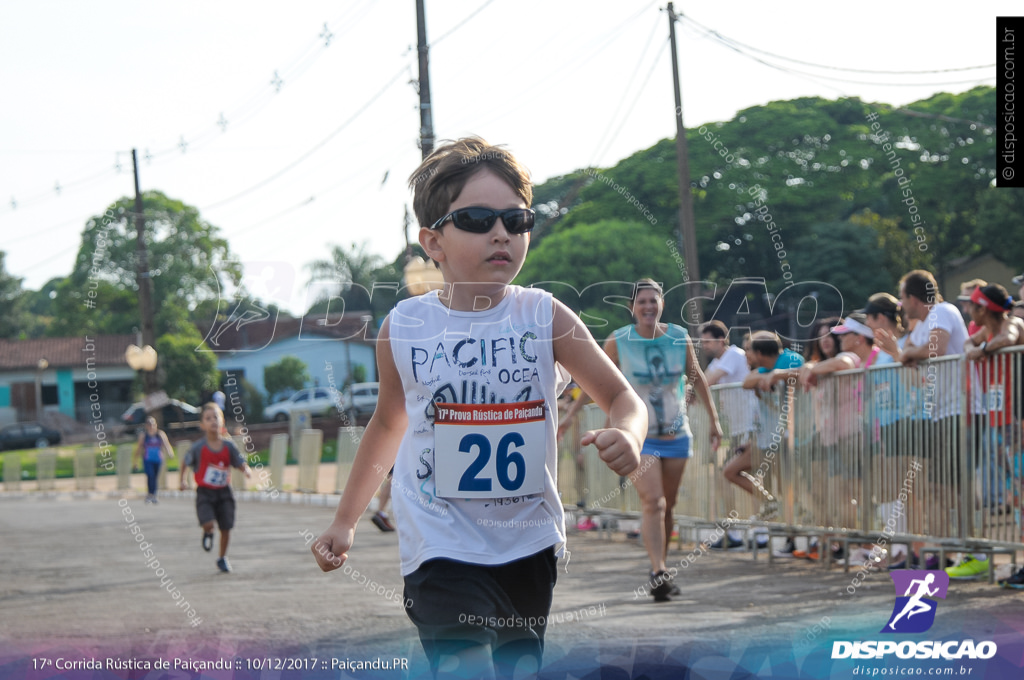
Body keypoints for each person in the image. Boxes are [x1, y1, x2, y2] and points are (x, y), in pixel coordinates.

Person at [310, 137, 644, 679]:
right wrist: (345, 521)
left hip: (527, 540)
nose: (501, 233)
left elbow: (622, 397)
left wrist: (629, 434)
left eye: (516, 220)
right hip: (438, 541)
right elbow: (390, 423)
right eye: (477, 218)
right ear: (433, 241)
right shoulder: (406, 326)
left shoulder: (544, 316)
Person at [897, 270, 973, 576]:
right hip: (939, 413)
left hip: (961, 408)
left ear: (914, 298)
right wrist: (906, 354)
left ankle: (969, 550)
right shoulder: (923, 325)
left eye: (903, 298)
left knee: (955, 486)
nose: (902, 305)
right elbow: (915, 368)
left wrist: (908, 353)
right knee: (938, 487)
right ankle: (945, 552)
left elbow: (935, 350)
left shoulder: (943, 310)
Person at [964, 285, 1024, 544]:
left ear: (984, 309)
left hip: (1017, 419)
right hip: (1000, 420)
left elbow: (1007, 340)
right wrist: (974, 348)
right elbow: (968, 343)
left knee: (1021, 486)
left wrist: (983, 350)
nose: (968, 312)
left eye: (972, 306)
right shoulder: (986, 331)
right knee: (1016, 489)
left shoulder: (1012, 324)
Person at [736, 331, 804, 531]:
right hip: (773, 437)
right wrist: (769, 375)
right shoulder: (766, 367)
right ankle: (786, 527)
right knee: (783, 486)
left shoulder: (789, 358)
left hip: (795, 435)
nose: (747, 354)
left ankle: (794, 530)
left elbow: (800, 371)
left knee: (792, 487)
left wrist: (776, 375)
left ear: (759, 352)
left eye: (749, 350)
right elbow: (746, 383)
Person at [179, 403, 250, 573]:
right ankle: (208, 531)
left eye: (216, 417)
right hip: (205, 493)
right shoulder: (198, 448)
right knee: (208, 523)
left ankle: (222, 558)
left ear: (222, 421)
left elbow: (239, 461)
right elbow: (185, 462)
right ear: (202, 424)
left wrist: (245, 469)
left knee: (226, 527)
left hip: (224, 492)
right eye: (208, 418)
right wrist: (182, 480)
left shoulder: (229, 446)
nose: (213, 421)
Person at [134, 416, 174, 504]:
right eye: (149, 424)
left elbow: (166, 444)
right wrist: (135, 462)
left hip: (158, 459)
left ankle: (154, 495)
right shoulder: (144, 436)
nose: (151, 426)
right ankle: (150, 494)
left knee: (155, 477)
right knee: (150, 475)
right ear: (146, 426)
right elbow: (139, 448)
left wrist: (170, 453)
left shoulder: (160, 434)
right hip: (147, 459)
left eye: (153, 424)